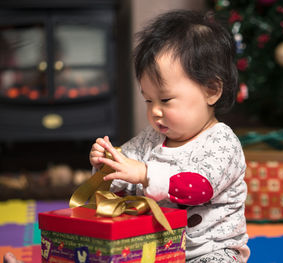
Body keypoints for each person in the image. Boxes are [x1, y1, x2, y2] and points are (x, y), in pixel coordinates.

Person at [92, 9, 250, 263]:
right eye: (148, 100)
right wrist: (106, 165)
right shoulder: (149, 138)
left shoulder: (222, 142)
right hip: (154, 250)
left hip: (209, 252)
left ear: (211, 90)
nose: (154, 111)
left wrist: (144, 174)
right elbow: (121, 185)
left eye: (165, 99)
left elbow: (200, 188)